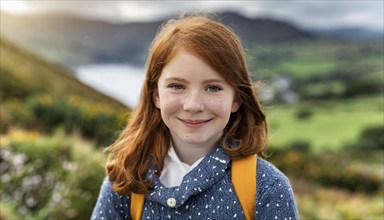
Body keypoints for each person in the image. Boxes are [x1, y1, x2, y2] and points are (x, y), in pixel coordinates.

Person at [91, 14, 299, 220]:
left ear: (237, 99)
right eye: (177, 86)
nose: (193, 105)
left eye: (213, 88)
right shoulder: (126, 177)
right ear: (156, 96)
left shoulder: (266, 188)